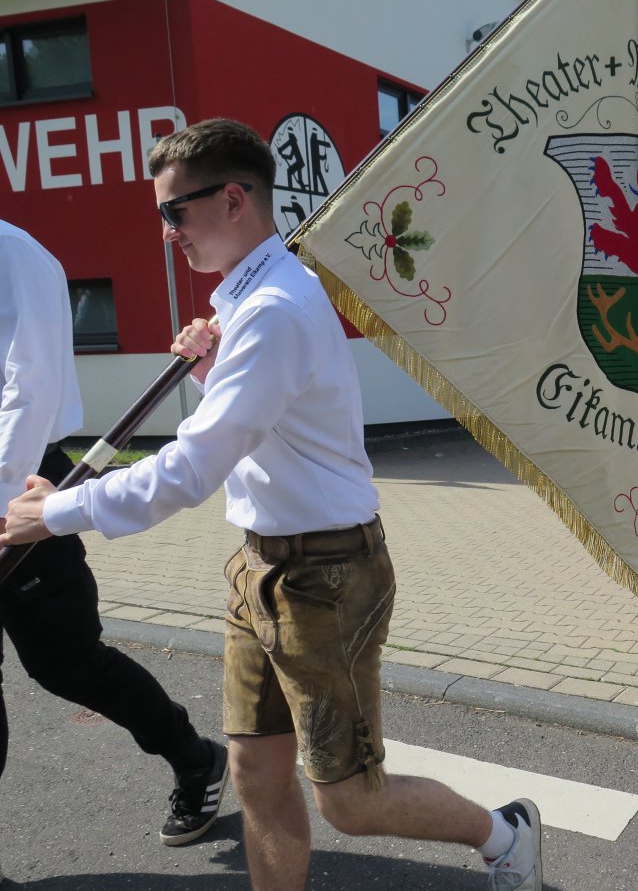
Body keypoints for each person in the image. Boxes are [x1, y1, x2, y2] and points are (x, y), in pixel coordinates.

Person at [0, 120, 542, 891]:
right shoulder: (251, 300)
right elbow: (262, 425)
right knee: (256, 771)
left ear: (232, 200)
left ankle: (505, 833)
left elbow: (192, 467)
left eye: (174, 212)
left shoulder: (274, 308)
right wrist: (213, 370)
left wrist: (55, 513)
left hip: (327, 574)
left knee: (349, 802)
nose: (166, 233)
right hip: (260, 564)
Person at [0, 220, 228, 847]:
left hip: (20, 487)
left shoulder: (14, 254)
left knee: (67, 665)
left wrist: (6, 506)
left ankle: (194, 757)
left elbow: (30, 386)